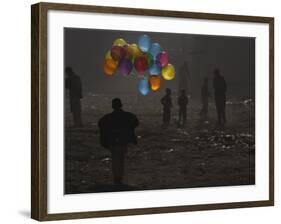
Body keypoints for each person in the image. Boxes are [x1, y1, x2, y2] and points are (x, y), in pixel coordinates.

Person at [98, 98, 139, 185]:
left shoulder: (107, 118)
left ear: (112, 106)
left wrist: (104, 140)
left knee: (115, 160)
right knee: (121, 159)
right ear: (121, 105)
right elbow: (135, 123)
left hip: (113, 142)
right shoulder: (128, 116)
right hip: (123, 141)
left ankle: (117, 178)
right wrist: (131, 135)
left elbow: (101, 125)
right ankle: (119, 178)